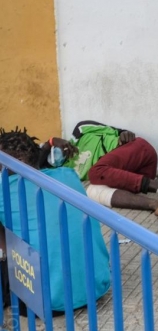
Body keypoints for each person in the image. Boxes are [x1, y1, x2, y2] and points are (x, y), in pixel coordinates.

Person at [0, 127, 111, 312]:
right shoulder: (67, 175)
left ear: (16, 162)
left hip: (44, 302)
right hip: (96, 287)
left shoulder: (4, 191)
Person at [43, 121, 158, 223]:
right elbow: (35, 162)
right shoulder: (68, 170)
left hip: (139, 150)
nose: (57, 154)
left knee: (95, 172)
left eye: (54, 149)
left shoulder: (80, 130)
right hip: (138, 176)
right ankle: (157, 204)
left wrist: (52, 141)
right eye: (51, 158)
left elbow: (122, 132)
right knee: (92, 191)